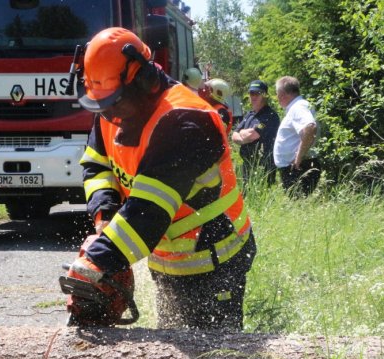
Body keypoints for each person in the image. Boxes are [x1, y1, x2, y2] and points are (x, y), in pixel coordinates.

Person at [68, 27, 256, 330]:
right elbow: (96, 166)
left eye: (113, 102)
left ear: (142, 81)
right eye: (100, 103)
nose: (107, 113)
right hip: (166, 255)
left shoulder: (186, 121)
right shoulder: (109, 109)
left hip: (215, 255)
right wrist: (105, 216)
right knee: (171, 348)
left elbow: (149, 211)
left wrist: (98, 260)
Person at [273, 76, 320, 196]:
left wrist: (298, 157)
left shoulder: (298, 107)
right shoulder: (298, 106)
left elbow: (310, 127)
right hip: (298, 166)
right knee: (299, 207)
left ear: (282, 94)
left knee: (298, 207)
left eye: (277, 94)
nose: (277, 98)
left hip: (298, 167)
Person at [231, 80, 280, 187]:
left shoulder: (270, 116)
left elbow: (252, 135)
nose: (253, 96)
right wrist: (243, 136)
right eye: (251, 93)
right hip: (247, 165)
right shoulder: (250, 114)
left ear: (264, 95)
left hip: (263, 168)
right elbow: (234, 135)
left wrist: (242, 134)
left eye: (257, 93)